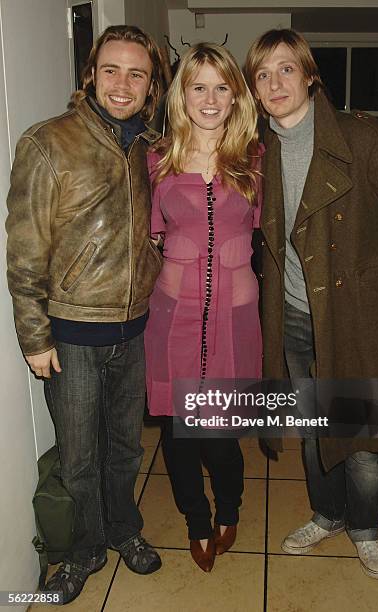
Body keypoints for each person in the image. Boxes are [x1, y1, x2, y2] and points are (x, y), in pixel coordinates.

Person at [244, 28, 378, 580]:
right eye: (263, 74)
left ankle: (367, 529)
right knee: (315, 424)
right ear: (253, 89)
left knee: (366, 436)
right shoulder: (257, 151)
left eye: (286, 69)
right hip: (295, 317)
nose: (275, 83)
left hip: (359, 317)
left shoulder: (358, 138)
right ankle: (328, 514)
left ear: (309, 75)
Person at [6, 25, 164, 603]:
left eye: (137, 74)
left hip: (135, 328)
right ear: (91, 75)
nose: (123, 84)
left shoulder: (150, 146)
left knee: (125, 449)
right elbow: (23, 250)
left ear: (150, 86)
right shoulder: (49, 143)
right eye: (112, 70)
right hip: (70, 334)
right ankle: (84, 550)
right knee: (79, 457)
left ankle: (125, 530)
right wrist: (33, 335)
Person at [144, 42, 262, 572]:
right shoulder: (156, 159)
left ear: (236, 95)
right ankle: (196, 521)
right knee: (178, 433)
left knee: (219, 435)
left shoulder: (258, 160)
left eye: (221, 87)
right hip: (173, 318)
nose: (209, 99)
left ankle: (229, 510)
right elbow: (144, 239)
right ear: (181, 95)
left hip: (234, 320)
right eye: (198, 87)